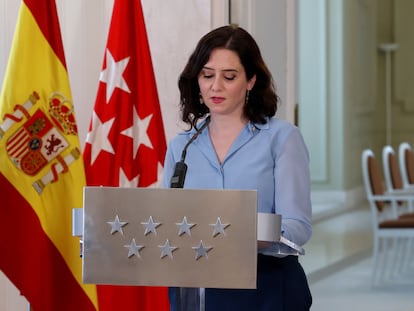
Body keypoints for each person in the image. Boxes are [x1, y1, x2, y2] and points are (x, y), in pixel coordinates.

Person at [162, 25, 312, 311]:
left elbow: (298, 227)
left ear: (251, 81)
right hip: (195, 291)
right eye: (207, 75)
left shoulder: (282, 138)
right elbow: (168, 223)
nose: (215, 86)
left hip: (266, 288)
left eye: (228, 76)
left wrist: (243, 236)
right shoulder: (181, 147)